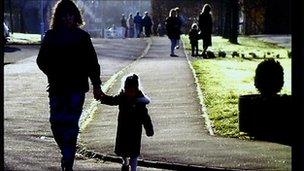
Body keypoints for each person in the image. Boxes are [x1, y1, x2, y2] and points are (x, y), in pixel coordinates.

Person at [36, 0, 104, 170]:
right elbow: (41, 60)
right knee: (56, 123)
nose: (68, 18)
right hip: (57, 88)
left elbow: (92, 64)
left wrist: (96, 85)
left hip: (77, 88)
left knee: (71, 125)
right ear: (58, 17)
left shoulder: (82, 37)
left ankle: (68, 160)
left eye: (71, 15)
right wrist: (53, 73)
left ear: (76, 16)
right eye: (64, 15)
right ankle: (66, 152)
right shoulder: (51, 36)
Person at [99, 74, 154, 171]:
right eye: (127, 90)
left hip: (135, 131)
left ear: (136, 90)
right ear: (124, 89)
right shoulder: (122, 97)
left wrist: (149, 129)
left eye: (131, 91)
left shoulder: (140, 103)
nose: (129, 93)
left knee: (134, 153)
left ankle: (133, 168)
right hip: (123, 129)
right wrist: (103, 98)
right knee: (123, 151)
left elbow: (146, 118)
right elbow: (113, 100)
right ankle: (125, 161)